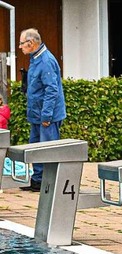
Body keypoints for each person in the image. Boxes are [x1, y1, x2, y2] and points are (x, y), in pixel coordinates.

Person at [18, 28, 67, 192]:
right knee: (36, 146)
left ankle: (49, 182)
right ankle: (38, 180)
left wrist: (46, 116)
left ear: (31, 43)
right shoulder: (36, 58)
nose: (20, 47)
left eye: (22, 43)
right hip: (37, 114)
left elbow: (51, 90)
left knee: (47, 149)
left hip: (47, 115)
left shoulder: (45, 61)